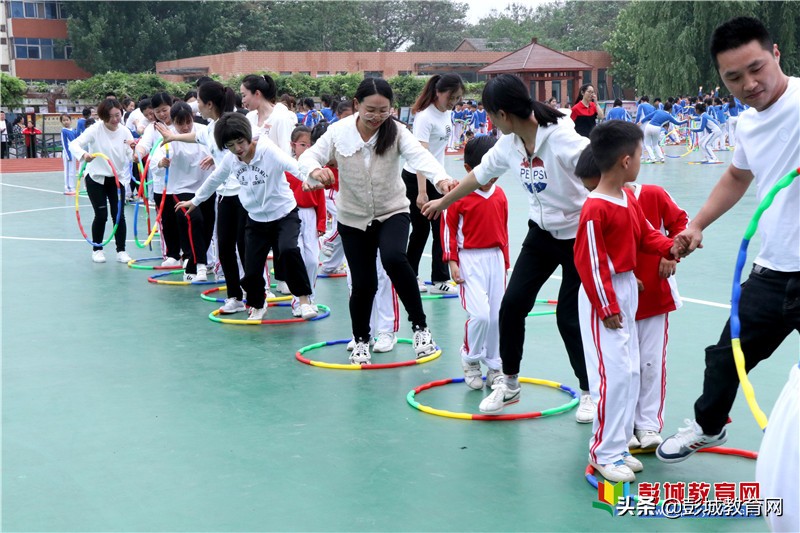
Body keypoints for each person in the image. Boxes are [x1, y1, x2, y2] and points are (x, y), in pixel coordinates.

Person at [656, 20, 798, 530]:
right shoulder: (747, 123)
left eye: (756, 68)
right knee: (724, 358)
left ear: (776, 54)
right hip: (773, 268)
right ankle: (709, 425)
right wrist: (695, 224)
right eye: (734, 77)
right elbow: (737, 175)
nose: (749, 84)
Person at [421, 73, 594, 422]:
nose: (489, 121)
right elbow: (478, 176)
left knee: (568, 317)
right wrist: (443, 201)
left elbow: (603, 180)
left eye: (489, 114)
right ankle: (509, 382)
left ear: (502, 114)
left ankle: (590, 391)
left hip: (578, 234)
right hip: (541, 234)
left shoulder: (563, 141)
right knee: (512, 306)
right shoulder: (510, 143)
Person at [298, 78, 457, 365]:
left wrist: (441, 178)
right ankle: (361, 340)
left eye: (384, 110)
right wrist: (314, 171)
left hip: (392, 210)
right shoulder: (338, 132)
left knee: (395, 258)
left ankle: (421, 328)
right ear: (357, 105)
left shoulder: (396, 131)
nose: (377, 117)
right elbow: (310, 156)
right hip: (353, 218)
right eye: (371, 110)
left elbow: (420, 156)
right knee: (363, 283)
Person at [574, 122, 679, 482]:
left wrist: (672, 246)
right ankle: (603, 451)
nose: (641, 160)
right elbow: (588, 261)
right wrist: (606, 307)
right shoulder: (595, 207)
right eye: (638, 154)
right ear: (624, 161)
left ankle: (619, 446)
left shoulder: (627, 198)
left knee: (631, 371)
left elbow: (646, 234)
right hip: (605, 297)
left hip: (625, 290)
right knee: (614, 375)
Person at [176, 112, 318, 321]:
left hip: (284, 214)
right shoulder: (231, 160)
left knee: (288, 251)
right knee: (251, 269)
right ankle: (257, 305)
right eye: (231, 145)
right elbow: (215, 179)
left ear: (249, 136)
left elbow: (293, 166)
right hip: (256, 219)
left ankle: (304, 300)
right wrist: (195, 201)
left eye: (240, 142)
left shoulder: (267, 151)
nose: (238, 149)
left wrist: (309, 178)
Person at [156, 82, 248, 313]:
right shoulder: (210, 127)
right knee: (225, 248)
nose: (196, 104)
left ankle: (258, 292)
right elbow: (196, 137)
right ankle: (235, 296)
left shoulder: (230, 124)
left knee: (246, 247)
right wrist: (173, 138)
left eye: (198, 100)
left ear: (209, 104)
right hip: (224, 196)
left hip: (245, 195)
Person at [442, 135, 509, 390]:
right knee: (480, 314)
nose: (492, 176)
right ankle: (470, 360)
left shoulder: (500, 195)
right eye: (486, 170)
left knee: (495, 316)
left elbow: (503, 230)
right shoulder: (458, 195)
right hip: (469, 260)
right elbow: (447, 231)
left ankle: (494, 366)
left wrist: (505, 262)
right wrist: (452, 262)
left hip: (495, 259)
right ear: (470, 170)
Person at [402, 74, 464, 295]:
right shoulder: (424, 117)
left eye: (457, 98)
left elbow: (438, 153)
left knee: (441, 230)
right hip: (416, 179)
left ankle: (439, 279)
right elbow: (420, 156)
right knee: (420, 230)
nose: (454, 102)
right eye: (451, 96)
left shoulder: (446, 113)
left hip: (437, 179)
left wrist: (443, 179)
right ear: (439, 92)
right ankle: (411, 276)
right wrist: (421, 192)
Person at [149, 102, 215, 282]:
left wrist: (213, 156)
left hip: (206, 186)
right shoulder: (168, 136)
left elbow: (220, 150)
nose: (185, 127)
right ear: (174, 122)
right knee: (194, 220)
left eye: (188, 122)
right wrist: (161, 163)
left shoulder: (204, 131)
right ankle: (199, 264)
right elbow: (155, 161)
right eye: (180, 123)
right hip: (181, 188)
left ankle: (191, 262)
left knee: (208, 226)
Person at [69, 98, 135, 264]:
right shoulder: (95, 129)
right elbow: (74, 144)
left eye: (117, 115)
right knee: (101, 215)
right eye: (110, 117)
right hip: (96, 179)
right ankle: (97, 249)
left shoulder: (125, 131)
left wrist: (135, 153)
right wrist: (84, 155)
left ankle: (121, 251)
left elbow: (131, 156)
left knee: (119, 215)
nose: (114, 120)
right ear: (103, 117)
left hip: (117, 179)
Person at [284, 125, 326, 309]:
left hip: (310, 215)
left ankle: (309, 297)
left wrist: (321, 222)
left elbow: (321, 198)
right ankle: (298, 300)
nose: (307, 149)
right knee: (297, 256)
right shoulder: (286, 168)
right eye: (302, 144)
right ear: (293, 145)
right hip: (290, 215)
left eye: (310, 145)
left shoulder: (316, 170)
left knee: (312, 260)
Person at [241, 74, 296, 155]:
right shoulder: (249, 117)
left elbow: (286, 152)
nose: (243, 100)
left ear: (257, 93)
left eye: (244, 95)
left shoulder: (281, 117)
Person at [60, 114, 79, 195]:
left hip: (73, 152)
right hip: (68, 153)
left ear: (70, 121)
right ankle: (68, 188)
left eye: (67, 120)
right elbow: (64, 144)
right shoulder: (64, 131)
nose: (66, 122)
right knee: (68, 171)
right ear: (61, 122)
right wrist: (68, 156)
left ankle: (72, 187)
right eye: (64, 120)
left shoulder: (73, 131)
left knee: (73, 171)